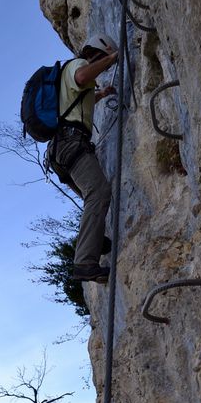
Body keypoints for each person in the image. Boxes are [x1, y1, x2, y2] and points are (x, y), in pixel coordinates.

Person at [48, 34, 118, 283]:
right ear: (95, 53)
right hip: (70, 144)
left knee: (94, 199)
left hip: (59, 153)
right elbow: (82, 77)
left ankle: (96, 242)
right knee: (99, 192)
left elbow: (75, 102)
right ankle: (85, 263)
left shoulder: (64, 77)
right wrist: (111, 59)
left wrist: (100, 95)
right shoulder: (77, 64)